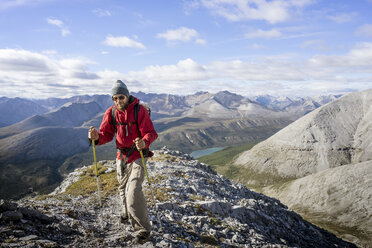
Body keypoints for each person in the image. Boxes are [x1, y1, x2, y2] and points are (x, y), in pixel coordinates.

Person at [88, 80, 158, 244]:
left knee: (133, 190)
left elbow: (151, 132)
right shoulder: (111, 113)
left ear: (126, 96)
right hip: (122, 155)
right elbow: (106, 134)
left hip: (138, 154)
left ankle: (143, 230)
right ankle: (127, 212)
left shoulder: (139, 111)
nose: (118, 101)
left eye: (121, 97)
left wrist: (144, 142)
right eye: (115, 98)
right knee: (122, 187)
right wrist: (96, 137)